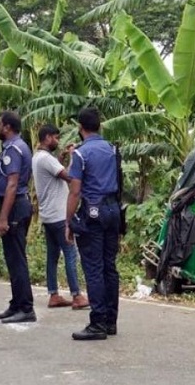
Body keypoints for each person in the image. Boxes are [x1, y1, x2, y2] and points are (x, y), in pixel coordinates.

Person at [65, 107, 121, 341]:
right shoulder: (111, 149)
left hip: (93, 213)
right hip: (113, 211)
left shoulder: (80, 154)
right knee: (109, 266)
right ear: (99, 125)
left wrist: (68, 221)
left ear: (80, 128)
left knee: (94, 268)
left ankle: (97, 322)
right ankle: (110, 321)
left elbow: (75, 191)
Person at [32, 124, 90, 310]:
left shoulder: (39, 157)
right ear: (47, 138)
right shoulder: (46, 159)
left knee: (52, 256)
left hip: (47, 215)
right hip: (59, 215)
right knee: (71, 254)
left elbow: (53, 172)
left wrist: (61, 157)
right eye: (56, 138)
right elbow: (70, 177)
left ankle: (53, 294)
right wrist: (73, 156)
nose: (58, 141)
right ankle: (77, 296)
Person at [0, 111, 36, 324]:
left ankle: (26, 308)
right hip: (13, 207)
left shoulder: (14, 149)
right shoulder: (12, 147)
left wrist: (3, 218)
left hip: (15, 208)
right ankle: (17, 304)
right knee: (12, 258)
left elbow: (12, 184)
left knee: (17, 259)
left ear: (7, 127)